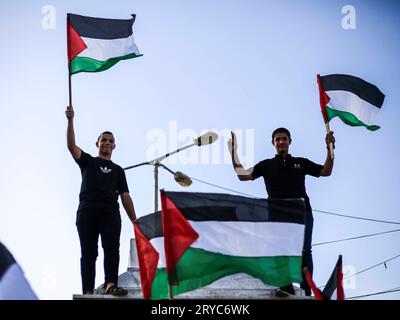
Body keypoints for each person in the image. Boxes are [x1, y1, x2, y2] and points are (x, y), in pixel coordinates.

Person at [228, 127, 335, 297]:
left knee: (305, 250)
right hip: (278, 215)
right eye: (277, 139)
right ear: (273, 143)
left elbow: (326, 171)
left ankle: (307, 291)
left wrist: (330, 149)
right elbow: (243, 175)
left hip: (303, 212)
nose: (281, 141)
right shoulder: (266, 165)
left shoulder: (301, 162)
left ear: (290, 141)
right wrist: (233, 152)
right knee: (280, 249)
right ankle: (286, 287)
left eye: (284, 138)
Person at [65, 105, 137, 296]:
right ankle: (88, 291)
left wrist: (135, 220)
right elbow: (72, 147)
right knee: (89, 252)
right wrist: (71, 120)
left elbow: (125, 196)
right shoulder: (88, 161)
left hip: (110, 213)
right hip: (87, 211)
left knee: (112, 247)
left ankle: (110, 284)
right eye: (103, 140)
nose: (106, 143)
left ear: (114, 146)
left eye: (110, 141)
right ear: (97, 144)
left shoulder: (118, 170)